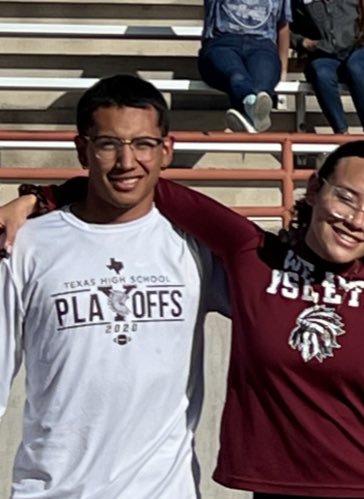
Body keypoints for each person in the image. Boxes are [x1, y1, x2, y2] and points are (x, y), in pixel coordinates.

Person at [12, 140, 364, 498]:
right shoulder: (252, 255)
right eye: (346, 197)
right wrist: (41, 196)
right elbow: (140, 185)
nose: (357, 221)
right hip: (273, 486)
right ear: (314, 188)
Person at [0, 74, 221, 499]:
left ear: (166, 150)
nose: (126, 162)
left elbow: (293, 283)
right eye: (108, 144)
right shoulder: (25, 245)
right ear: (82, 149)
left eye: (143, 144)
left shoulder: (195, 246)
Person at [292, 0, 364, 134]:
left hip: (363, 49)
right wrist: (301, 42)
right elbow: (284, 26)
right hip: (325, 53)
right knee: (321, 73)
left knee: (356, 68)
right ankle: (342, 134)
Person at [199, 0, 292, 133]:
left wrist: (283, 70)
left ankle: (248, 115)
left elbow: (283, 25)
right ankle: (250, 105)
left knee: (262, 88)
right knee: (237, 76)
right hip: (222, 43)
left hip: (263, 45)